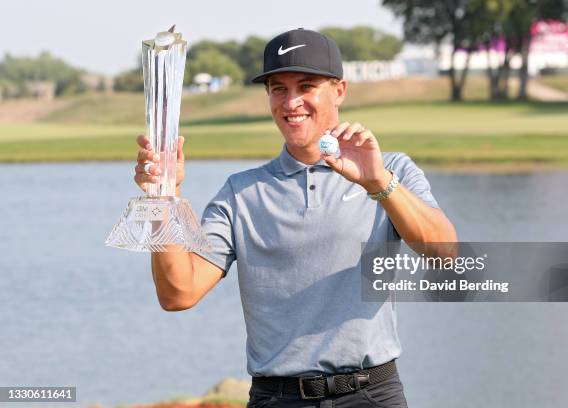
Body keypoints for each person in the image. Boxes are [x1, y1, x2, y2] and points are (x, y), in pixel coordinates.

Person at [133, 28, 457, 408]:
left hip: (372, 395)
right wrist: (163, 198)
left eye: (306, 86)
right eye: (278, 89)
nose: (292, 102)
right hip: (279, 399)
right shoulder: (241, 193)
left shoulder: (391, 169)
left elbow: (445, 254)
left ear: (339, 91)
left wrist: (378, 182)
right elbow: (178, 293)